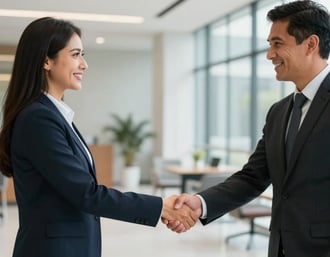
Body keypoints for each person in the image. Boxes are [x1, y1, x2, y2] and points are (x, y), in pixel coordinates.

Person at [165, 1, 330, 257]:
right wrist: (201, 203)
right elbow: (252, 178)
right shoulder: (279, 111)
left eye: (278, 44)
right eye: (269, 45)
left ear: (311, 44)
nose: (269, 55)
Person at [0, 17, 198, 257]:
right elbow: (86, 193)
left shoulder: (53, 114)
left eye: (83, 55)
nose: (84, 64)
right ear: (46, 60)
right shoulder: (38, 119)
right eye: (75, 55)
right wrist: (161, 207)